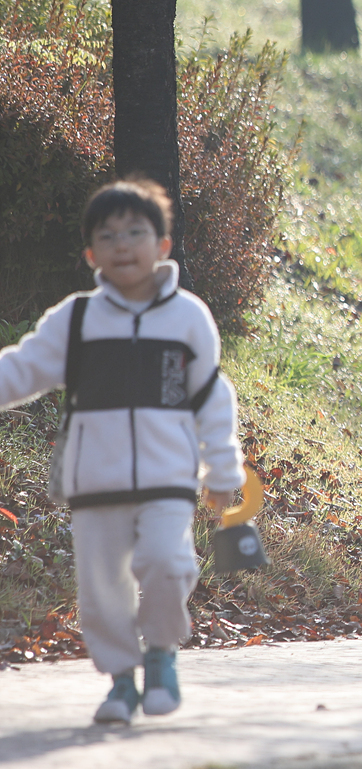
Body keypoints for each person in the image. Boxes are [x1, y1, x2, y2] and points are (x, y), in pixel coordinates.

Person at [0, 178, 246, 725]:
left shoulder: (188, 317)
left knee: (168, 563)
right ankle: (120, 682)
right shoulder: (77, 319)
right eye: (108, 236)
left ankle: (161, 653)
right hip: (95, 483)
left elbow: (212, 397)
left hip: (168, 480)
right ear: (91, 254)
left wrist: (223, 469)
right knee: (101, 593)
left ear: (163, 245)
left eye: (135, 232)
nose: (122, 245)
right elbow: (23, 368)